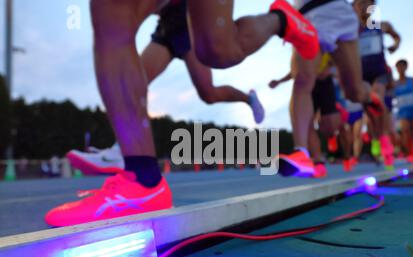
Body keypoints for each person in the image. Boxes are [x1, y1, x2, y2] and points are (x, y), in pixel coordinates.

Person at [45, 0, 320, 227]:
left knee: (218, 58)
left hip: (188, 18)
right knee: (118, 25)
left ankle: (279, 24)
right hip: (170, 22)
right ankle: (139, 172)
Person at [66, 0, 267, 176]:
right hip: (167, 28)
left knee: (209, 93)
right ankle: (123, 150)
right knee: (132, 80)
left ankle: (248, 99)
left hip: (188, 23)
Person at [276, 0, 385, 178]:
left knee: (354, 92)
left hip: (334, 10)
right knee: (302, 81)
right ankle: (302, 153)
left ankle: (369, 97)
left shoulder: (371, 21)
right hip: (305, 16)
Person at [353, 0, 401, 169]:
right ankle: (378, 144)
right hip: (362, 77)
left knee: (377, 99)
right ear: (354, 7)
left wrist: (395, 45)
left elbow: (396, 36)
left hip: (380, 74)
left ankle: (385, 144)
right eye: (360, 3)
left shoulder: (382, 26)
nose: (364, 6)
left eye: (368, 3)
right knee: (372, 116)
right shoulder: (351, 31)